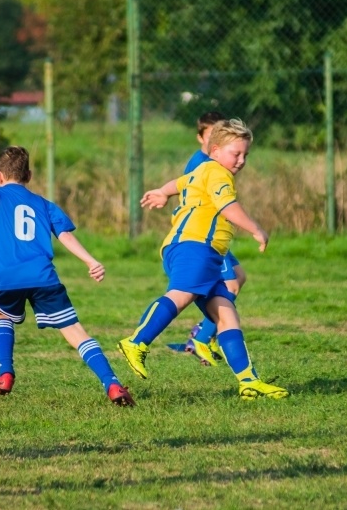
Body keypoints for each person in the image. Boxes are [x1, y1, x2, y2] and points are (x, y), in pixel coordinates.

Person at [0, 146, 135, 406]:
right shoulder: (44, 205)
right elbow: (65, 235)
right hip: (43, 277)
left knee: (3, 315)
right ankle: (111, 383)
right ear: (29, 176)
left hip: (6, 278)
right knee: (75, 331)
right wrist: (90, 260)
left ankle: (4, 373)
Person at [118, 118, 289, 400]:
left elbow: (180, 182)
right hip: (195, 246)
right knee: (182, 294)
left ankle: (248, 381)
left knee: (225, 314)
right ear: (216, 150)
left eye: (246, 154)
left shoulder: (204, 170)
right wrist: (256, 229)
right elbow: (227, 206)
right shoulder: (218, 173)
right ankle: (136, 341)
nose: (242, 160)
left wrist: (162, 191)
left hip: (199, 251)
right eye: (236, 153)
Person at [180, 111, 249, 368]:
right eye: (210, 135)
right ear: (201, 137)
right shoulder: (202, 164)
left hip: (213, 236)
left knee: (238, 277)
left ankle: (205, 333)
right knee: (227, 286)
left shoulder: (215, 163)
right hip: (203, 238)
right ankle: (202, 337)